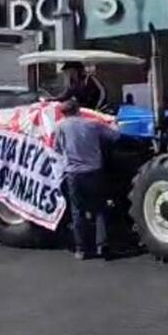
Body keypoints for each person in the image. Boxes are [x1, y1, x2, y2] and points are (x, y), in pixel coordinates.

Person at [54, 99, 120, 260]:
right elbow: (115, 137)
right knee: (99, 209)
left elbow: (57, 148)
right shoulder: (93, 125)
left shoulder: (60, 127)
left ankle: (81, 249)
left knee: (78, 211)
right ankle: (102, 245)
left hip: (73, 174)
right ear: (78, 110)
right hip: (93, 171)